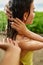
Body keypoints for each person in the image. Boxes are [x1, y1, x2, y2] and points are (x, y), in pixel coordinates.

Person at [0, 0, 43, 65]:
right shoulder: (23, 42)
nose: (35, 13)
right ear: (25, 15)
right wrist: (26, 32)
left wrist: (10, 11)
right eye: (33, 11)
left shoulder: (10, 30)